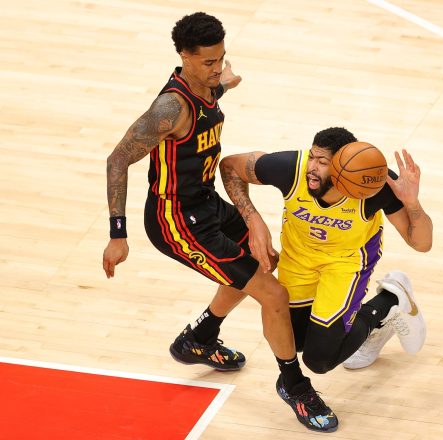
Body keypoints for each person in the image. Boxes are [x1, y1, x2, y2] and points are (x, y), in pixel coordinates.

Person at [102, 12, 338, 433]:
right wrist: (117, 235)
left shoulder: (208, 86)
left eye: (221, 59)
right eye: (209, 63)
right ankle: (295, 385)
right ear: (184, 57)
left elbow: (213, 96)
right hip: (177, 221)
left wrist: (225, 83)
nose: (217, 68)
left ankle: (200, 338)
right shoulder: (168, 108)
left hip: (206, 203)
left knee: (262, 260)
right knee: (273, 294)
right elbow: (118, 159)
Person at [219, 127, 433, 382]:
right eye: (312, 157)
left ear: (342, 167)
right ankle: (363, 325)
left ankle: (389, 303)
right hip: (299, 259)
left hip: (346, 264)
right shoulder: (290, 168)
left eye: (322, 162)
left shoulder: (373, 184)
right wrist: (252, 219)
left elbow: (421, 243)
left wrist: (411, 203)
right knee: (294, 341)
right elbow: (230, 167)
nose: (312, 167)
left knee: (319, 360)